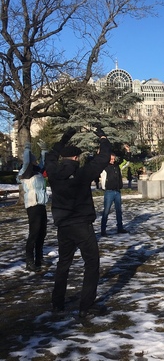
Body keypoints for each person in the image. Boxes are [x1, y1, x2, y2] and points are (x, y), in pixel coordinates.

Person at [45, 127, 111, 318]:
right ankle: (86, 306)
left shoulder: (53, 172)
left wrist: (66, 136)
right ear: (76, 158)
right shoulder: (83, 173)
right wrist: (102, 137)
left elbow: (50, 155)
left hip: (63, 224)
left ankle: (57, 303)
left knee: (63, 263)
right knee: (91, 263)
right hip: (81, 224)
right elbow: (103, 157)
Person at [17, 140, 49, 272]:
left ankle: (39, 258)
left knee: (42, 232)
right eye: (34, 160)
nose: (36, 162)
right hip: (32, 205)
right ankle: (29, 261)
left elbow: (44, 163)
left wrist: (44, 150)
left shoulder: (38, 172)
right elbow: (26, 162)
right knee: (34, 233)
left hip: (41, 204)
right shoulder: (25, 172)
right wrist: (27, 149)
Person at [100, 144, 130, 236]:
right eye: (111, 159)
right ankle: (103, 230)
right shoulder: (104, 167)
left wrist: (128, 151)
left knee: (118, 211)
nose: (112, 161)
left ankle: (120, 228)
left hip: (117, 192)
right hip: (109, 192)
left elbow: (126, 162)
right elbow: (97, 161)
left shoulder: (118, 166)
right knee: (106, 211)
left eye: (113, 159)